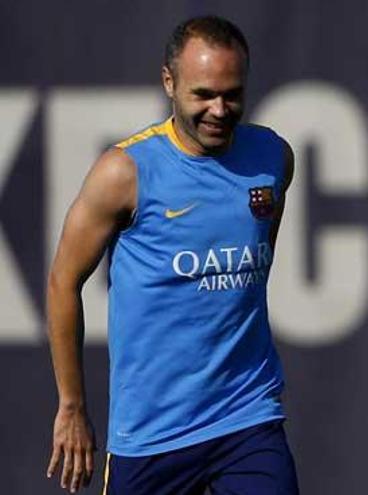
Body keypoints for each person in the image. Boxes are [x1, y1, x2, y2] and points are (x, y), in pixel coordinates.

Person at [45, 16, 298, 494]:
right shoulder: (125, 172)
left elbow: (255, 253)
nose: (220, 110)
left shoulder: (272, 158)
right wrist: (72, 406)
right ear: (169, 82)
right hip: (151, 434)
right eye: (203, 94)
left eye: (232, 94)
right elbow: (63, 282)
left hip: (247, 417)